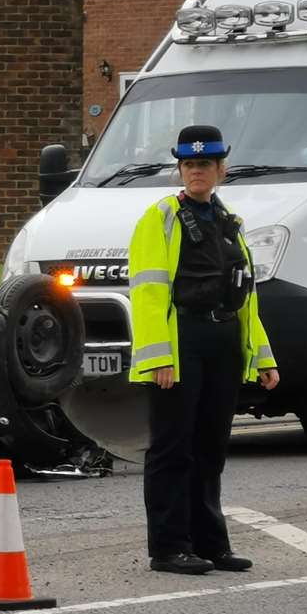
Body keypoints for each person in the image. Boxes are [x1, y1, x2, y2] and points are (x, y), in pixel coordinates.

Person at [128, 124, 280, 575]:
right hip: (181, 344)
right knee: (174, 449)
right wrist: (159, 358)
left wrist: (263, 357)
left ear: (221, 170)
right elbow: (148, 293)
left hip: (223, 341)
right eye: (189, 164)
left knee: (210, 448)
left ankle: (211, 543)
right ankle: (170, 547)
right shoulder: (159, 218)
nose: (197, 172)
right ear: (179, 170)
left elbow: (245, 298)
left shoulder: (229, 222)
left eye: (205, 164)